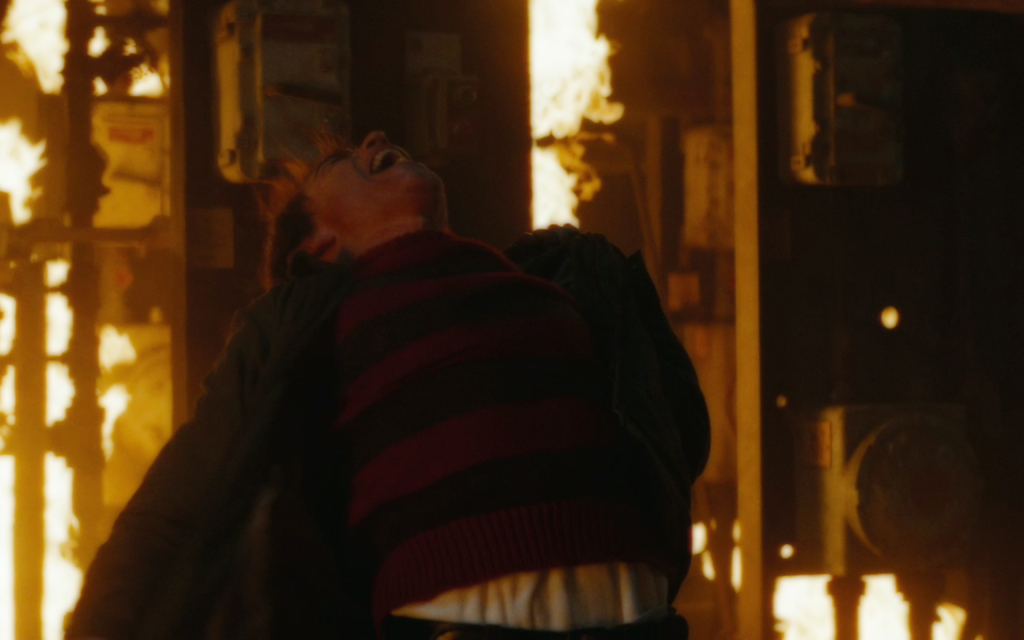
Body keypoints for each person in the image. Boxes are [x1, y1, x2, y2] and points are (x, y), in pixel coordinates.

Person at [67, 131, 709, 640]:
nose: (375, 138)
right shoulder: (309, 326)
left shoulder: (552, 281)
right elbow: (173, 514)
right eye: (340, 163)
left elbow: (678, 441)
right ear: (317, 244)